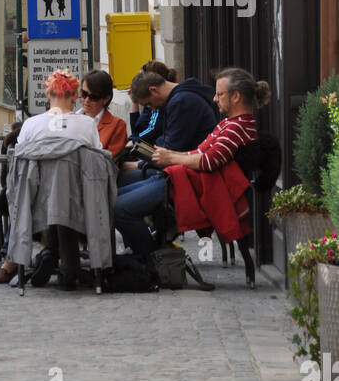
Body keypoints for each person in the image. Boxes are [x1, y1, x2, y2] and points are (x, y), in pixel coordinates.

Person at [114, 67, 267, 260]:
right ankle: (150, 254)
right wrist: (172, 156)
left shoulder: (236, 127)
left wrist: (171, 157)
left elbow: (208, 161)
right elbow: (200, 152)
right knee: (114, 198)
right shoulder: (230, 124)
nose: (215, 98)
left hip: (196, 187)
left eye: (219, 94)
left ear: (236, 96)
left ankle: (153, 261)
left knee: (118, 207)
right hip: (186, 179)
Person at [0, 70, 103, 287]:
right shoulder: (87, 125)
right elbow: (98, 161)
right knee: (62, 197)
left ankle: (43, 255)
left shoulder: (31, 125)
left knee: (41, 195)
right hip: (78, 202)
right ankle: (70, 268)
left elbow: (19, 166)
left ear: (47, 95)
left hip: (35, 203)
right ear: (75, 96)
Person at [128, 60, 178, 146]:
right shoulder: (152, 102)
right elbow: (137, 128)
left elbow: (155, 129)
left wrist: (134, 141)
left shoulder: (160, 103)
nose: (152, 108)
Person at [80, 69, 127, 160]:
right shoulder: (71, 119)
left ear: (106, 99)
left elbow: (110, 163)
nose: (86, 100)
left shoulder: (117, 125)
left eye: (93, 97)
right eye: (84, 94)